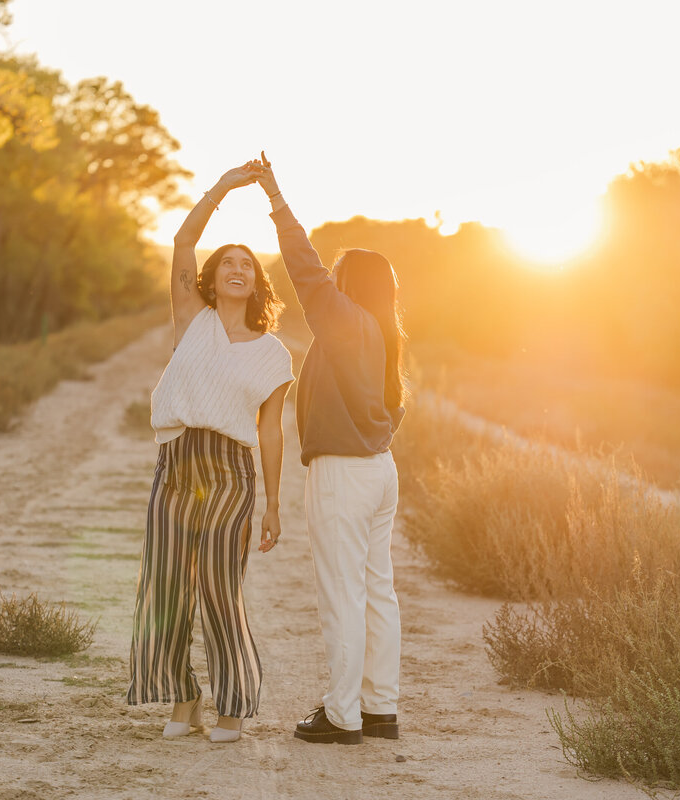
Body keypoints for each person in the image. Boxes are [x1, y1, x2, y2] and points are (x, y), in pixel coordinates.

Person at [125, 161, 294, 744]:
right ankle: (184, 700)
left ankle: (232, 706)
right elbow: (182, 239)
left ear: (258, 283)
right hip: (175, 467)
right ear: (212, 277)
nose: (238, 269)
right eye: (229, 263)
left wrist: (271, 505)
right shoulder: (191, 320)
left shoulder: (273, 354)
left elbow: (270, 432)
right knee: (167, 587)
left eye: (248, 265)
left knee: (221, 591)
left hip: (229, 474)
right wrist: (223, 187)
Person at [255, 158, 406, 745]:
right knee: (376, 589)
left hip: (345, 473)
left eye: (340, 273)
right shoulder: (384, 332)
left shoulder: (345, 320)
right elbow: (396, 409)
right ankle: (380, 709)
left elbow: (304, 268)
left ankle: (342, 716)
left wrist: (275, 198)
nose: (330, 279)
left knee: (342, 591)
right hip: (378, 470)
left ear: (351, 284)